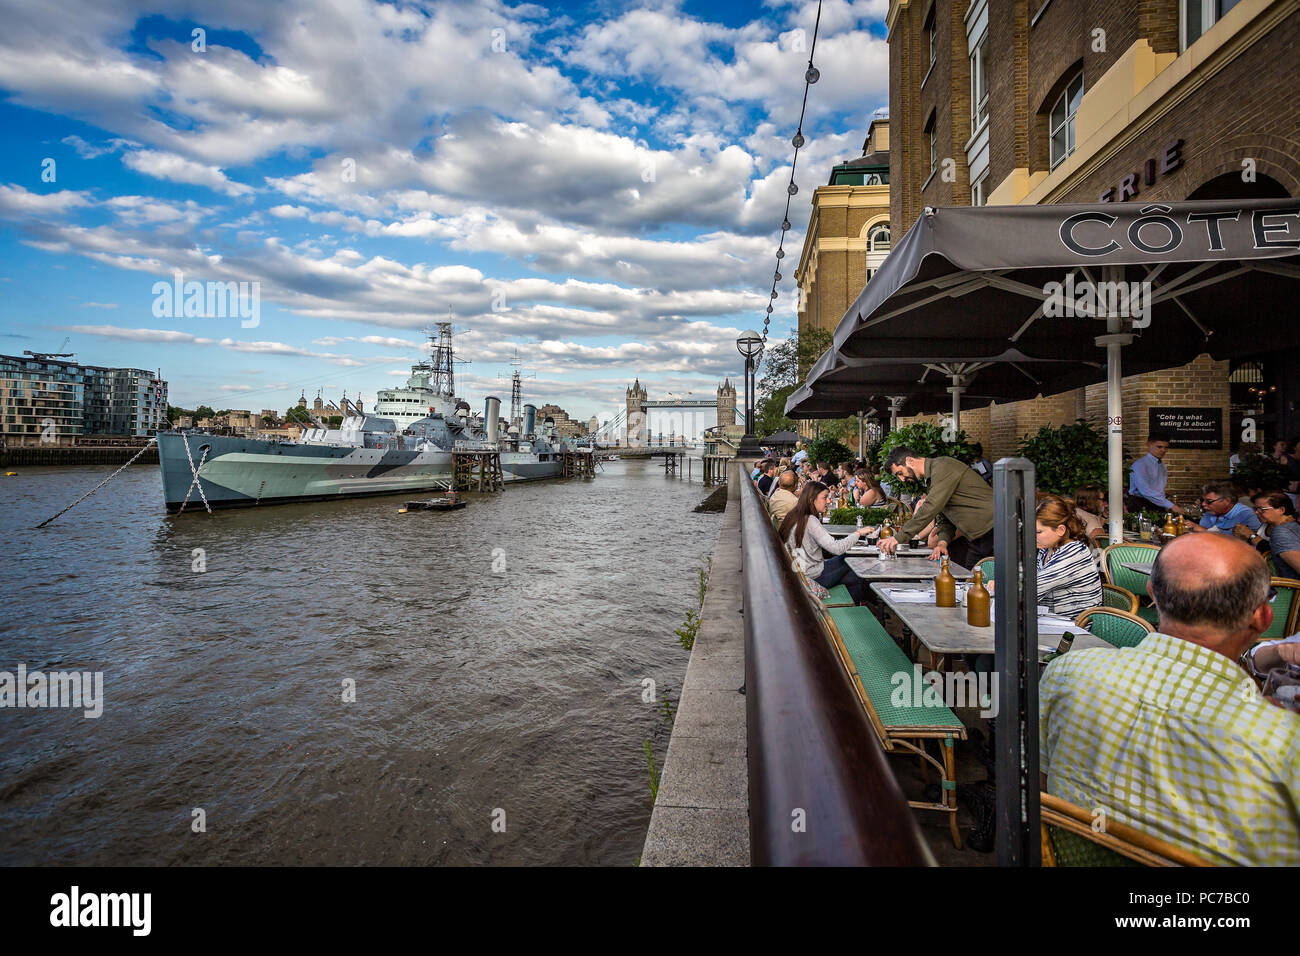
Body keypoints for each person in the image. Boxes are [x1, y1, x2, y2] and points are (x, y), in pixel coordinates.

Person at [1040, 533, 1300, 865]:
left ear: (1152, 593)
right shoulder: (1279, 739)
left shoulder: (1068, 671)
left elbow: (1040, 784)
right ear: (1263, 617)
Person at [881, 446, 995, 566]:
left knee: (991, 581)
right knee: (970, 581)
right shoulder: (933, 479)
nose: (902, 479)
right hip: (977, 538)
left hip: (994, 530)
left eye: (900, 473)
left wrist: (898, 538)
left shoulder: (942, 467)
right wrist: (942, 543)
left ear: (910, 461)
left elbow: (930, 508)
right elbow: (945, 518)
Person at [782, 480, 872, 604]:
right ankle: (870, 604)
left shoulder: (793, 514)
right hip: (813, 576)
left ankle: (855, 607)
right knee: (852, 558)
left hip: (801, 574)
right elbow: (836, 548)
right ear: (811, 499)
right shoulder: (810, 520)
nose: (829, 501)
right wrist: (858, 533)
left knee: (853, 577)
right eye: (825, 498)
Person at [1018, 495, 1102, 618]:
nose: (1033, 536)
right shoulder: (1046, 549)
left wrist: (1004, 586)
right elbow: (1030, 579)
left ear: (1060, 530)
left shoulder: (1074, 552)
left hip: (1076, 627)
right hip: (1052, 620)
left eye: (1038, 532)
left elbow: (1031, 590)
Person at [1234, 490, 1300, 577]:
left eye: (1262, 509)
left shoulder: (1282, 531)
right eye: (1256, 509)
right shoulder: (1268, 525)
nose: (1256, 512)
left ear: (1281, 510)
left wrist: (1252, 536)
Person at [1126, 433, 1183, 515]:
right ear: (1148, 445)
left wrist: (1165, 497)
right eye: (1159, 447)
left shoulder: (1162, 465)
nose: (1163, 450)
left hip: (1157, 504)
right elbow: (1146, 491)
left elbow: (1156, 488)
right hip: (1141, 505)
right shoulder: (1140, 465)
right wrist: (1171, 506)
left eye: (1166, 447)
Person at [1187, 480, 1260, 536]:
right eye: (1203, 500)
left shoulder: (1247, 515)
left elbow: (1254, 544)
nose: (1203, 504)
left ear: (1227, 501)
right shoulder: (1210, 513)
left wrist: (1202, 530)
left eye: (1209, 501)